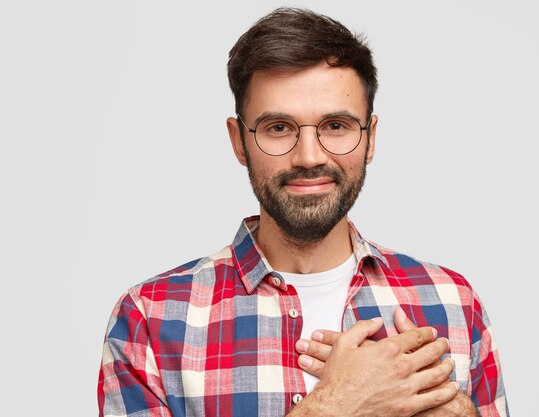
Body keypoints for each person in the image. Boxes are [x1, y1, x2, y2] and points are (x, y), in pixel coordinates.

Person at [98, 7, 508, 417]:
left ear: (370, 139)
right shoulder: (149, 320)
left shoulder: (453, 302)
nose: (309, 156)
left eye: (335, 126)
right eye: (278, 127)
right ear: (239, 141)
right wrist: (336, 406)